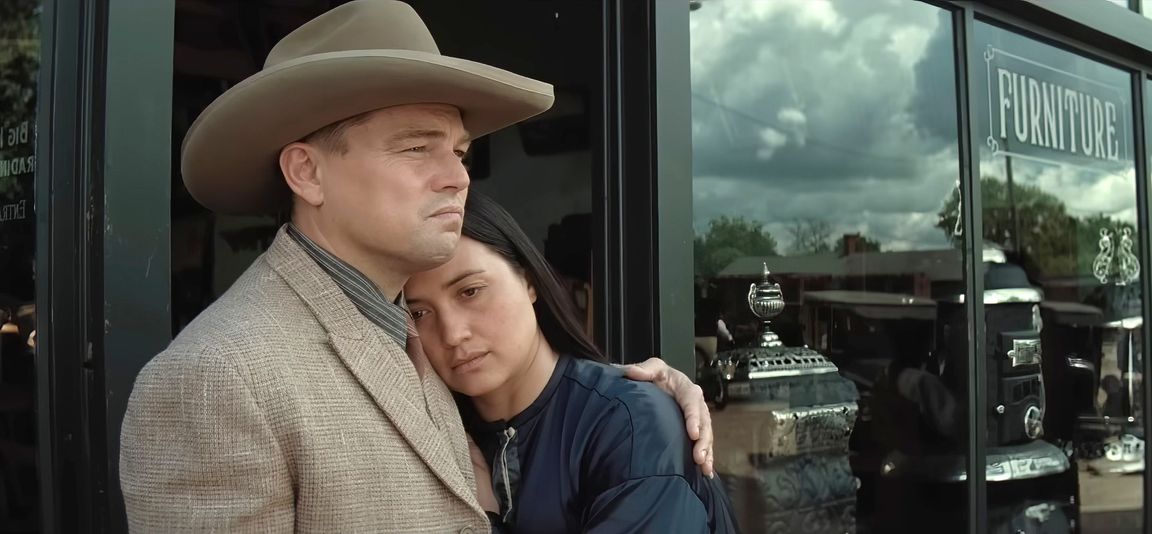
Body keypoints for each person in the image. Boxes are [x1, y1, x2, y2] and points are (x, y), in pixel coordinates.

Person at [118, 1, 713, 532]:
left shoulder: (414, 335)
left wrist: (640, 403)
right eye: (415, 146)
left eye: (457, 152)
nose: (457, 177)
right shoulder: (214, 379)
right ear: (307, 172)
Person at [405, 193, 738, 532]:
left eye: (470, 291)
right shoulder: (433, 437)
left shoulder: (630, 423)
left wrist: (485, 523)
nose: (452, 333)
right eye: (419, 312)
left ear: (529, 281)